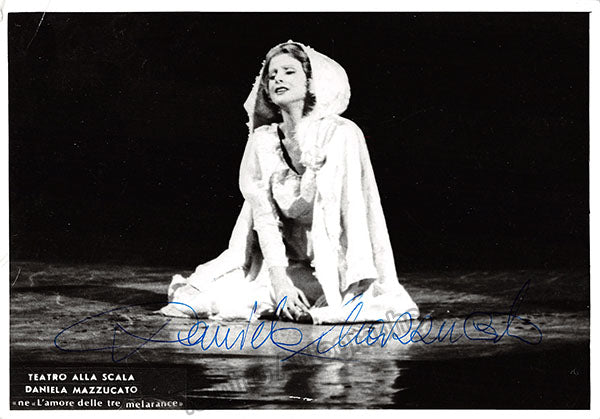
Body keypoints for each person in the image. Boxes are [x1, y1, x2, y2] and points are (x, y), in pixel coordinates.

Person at [160, 41, 419, 324]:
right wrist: (280, 281)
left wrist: (340, 284)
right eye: (272, 75)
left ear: (311, 82)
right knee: (200, 301)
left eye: (289, 72)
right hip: (288, 264)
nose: (278, 79)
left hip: (339, 264)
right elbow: (264, 218)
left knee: (350, 305)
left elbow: (352, 209)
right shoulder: (263, 141)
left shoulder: (340, 134)